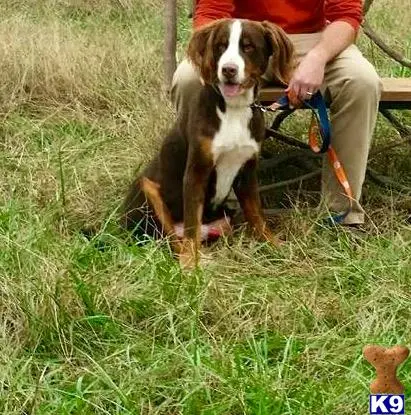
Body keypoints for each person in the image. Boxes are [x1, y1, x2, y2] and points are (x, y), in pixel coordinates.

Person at [171, 0, 382, 226]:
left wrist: (317, 58)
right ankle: (219, 208)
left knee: (362, 81)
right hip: (239, 36)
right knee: (188, 80)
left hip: (312, 39)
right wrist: (216, 56)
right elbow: (211, 11)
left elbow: (346, 15)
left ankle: (342, 213)